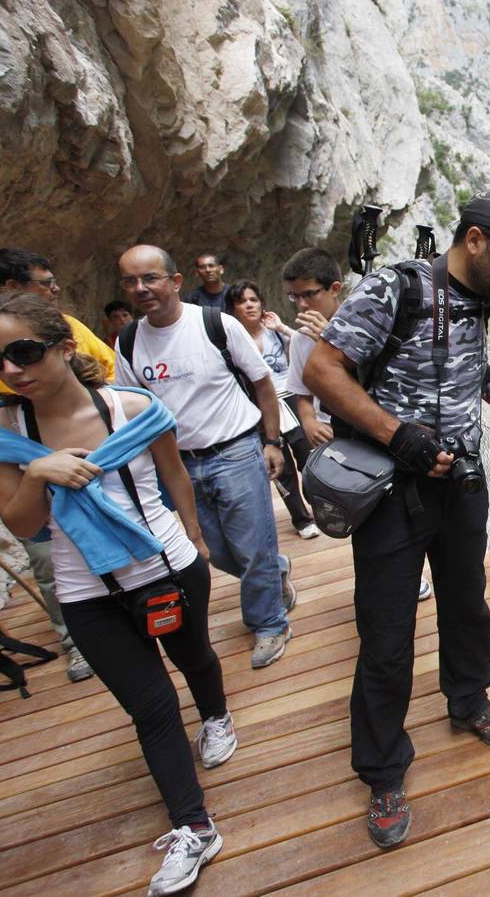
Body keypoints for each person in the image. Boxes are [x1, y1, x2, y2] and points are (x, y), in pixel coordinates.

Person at [304, 188, 490, 848]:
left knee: (468, 605)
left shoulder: (479, 301)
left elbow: (434, 365)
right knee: (387, 636)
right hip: (394, 493)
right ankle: (384, 769)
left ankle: (469, 700)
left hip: (461, 488)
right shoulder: (397, 287)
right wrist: (397, 435)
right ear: (475, 239)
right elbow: (323, 370)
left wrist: (477, 374)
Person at [0, 292, 232, 895]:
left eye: (24, 352)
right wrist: (38, 472)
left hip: (165, 566)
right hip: (84, 588)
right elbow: (23, 525)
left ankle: (216, 715)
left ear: (64, 347)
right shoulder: (1, 430)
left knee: (194, 659)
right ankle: (194, 827)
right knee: (152, 707)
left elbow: (172, 474)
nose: (10, 370)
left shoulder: (132, 407)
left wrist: (196, 541)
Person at [112, 245, 296, 669]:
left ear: (175, 281)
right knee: (211, 551)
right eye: (130, 281)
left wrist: (272, 441)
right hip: (178, 465)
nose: (140, 289)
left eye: (150, 278)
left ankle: (269, 622)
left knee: (252, 549)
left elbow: (263, 384)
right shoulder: (128, 342)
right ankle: (274, 568)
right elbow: (129, 409)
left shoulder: (216, 324)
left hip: (235, 450)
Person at [0, 247, 117, 682]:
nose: (55, 289)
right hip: (12, 469)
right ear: (8, 288)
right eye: (44, 282)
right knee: (48, 559)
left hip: (86, 455)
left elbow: (106, 373)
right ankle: (78, 640)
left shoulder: (62, 327)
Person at [282, 247, 432, 597]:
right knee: (355, 506)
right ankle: (379, 581)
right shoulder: (301, 338)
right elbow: (300, 388)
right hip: (334, 440)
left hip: (377, 432)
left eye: (309, 295)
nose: (302, 305)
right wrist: (306, 420)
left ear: (335, 288)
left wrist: (332, 337)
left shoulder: (371, 321)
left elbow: (380, 377)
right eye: (294, 297)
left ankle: (410, 574)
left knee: (396, 506)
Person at [222, 280, 318, 539]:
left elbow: (302, 345)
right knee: (280, 466)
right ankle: (301, 518)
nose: (249, 305)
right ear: (233, 309)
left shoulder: (273, 330)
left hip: (290, 398)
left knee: (308, 456)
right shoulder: (230, 338)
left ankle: (320, 505)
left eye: (253, 299)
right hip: (261, 406)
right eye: (242, 301)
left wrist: (281, 327)